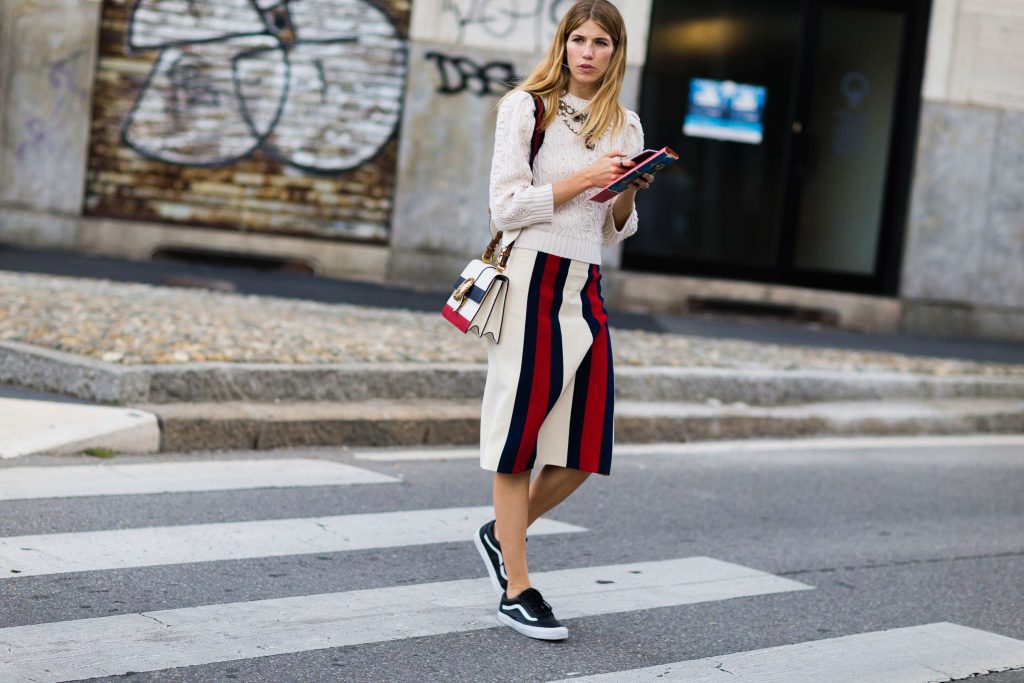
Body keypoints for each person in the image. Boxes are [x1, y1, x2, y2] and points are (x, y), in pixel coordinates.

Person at [472, 0, 655, 641]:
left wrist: (630, 185)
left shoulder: (625, 124)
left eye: (601, 42)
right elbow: (505, 205)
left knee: (583, 446)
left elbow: (612, 229)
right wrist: (583, 178)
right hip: (530, 278)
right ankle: (516, 587)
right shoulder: (527, 106)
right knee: (519, 433)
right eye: (578, 38)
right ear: (563, 43)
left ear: (616, 51)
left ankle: (500, 534)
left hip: (585, 283)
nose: (588, 51)